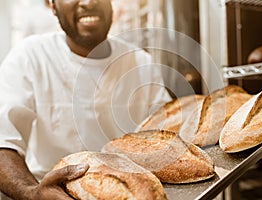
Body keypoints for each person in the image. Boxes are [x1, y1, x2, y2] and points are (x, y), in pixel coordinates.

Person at [0, 0, 171, 199]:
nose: (88, 2)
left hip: (131, 190)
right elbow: (3, 141)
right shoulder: (30, 57)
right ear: (52, 5)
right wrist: (30, 193)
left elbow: (165, 137)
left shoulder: (139, 62)